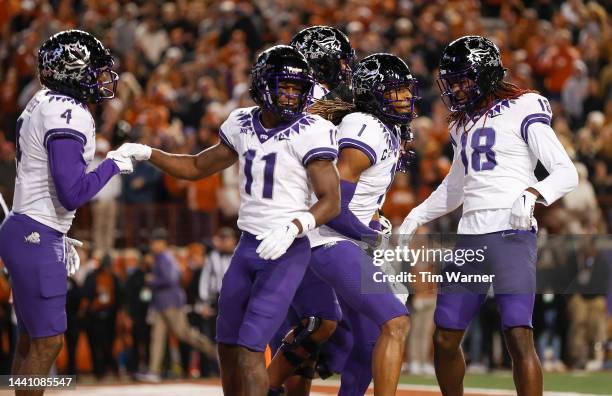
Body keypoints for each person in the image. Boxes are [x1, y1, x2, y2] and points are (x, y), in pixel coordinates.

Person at [116, 45, 341, 395]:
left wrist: (295, 226)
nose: (292, 94)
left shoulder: (313, 129)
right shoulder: (240, 122)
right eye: (285, 86)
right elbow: (196, 166)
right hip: (247, 245)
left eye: (298, 88)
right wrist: (149, 153)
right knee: (227, 342)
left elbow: (331, 201)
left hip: (286, 248)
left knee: (251, 347)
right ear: (264, 85)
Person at [399, 35, 579, 396]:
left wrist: (533, 194)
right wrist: (417, 215)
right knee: (446, 337)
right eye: (453, 80)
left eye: (464, 78)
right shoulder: (461, 123)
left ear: (485, 74)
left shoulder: (524, 105)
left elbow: (565, 172)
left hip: (511, 232)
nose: (458, 87)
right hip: (471, 235)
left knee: (517, 333)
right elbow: (457, 185)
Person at [268, 53, 417, 396]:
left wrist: (371, 224)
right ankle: (265, 386)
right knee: (395, 322)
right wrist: (370, 235)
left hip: (344, 242)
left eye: (407, 89)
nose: (406, 97)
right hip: (330, 241)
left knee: (367, 344)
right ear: (374, 93)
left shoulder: (384, 128)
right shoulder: (366, 125)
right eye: (396, 90)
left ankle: (267, 386)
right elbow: (333, 205)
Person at [0, 29, 132, 393]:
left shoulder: (43, 102)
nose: (102, 78)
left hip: (26, 227)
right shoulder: (67, 111)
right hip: (36, 233)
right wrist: (114, 163)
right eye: (94, 69)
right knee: (48, 343)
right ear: (72, 71)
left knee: (30, 339)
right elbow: (72, 193)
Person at [135, 228, 217, 383]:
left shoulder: (165, 257)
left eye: (154, 241)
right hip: (162, 303)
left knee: (184, 333)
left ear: (162, 243)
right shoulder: (162, 257)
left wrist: (151, 280)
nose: (152, 244)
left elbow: (172, 279)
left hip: (171, 302)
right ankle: (153, 371)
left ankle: (215, 352)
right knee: (157, 337)